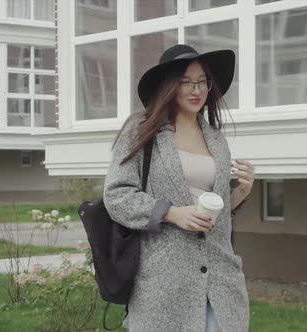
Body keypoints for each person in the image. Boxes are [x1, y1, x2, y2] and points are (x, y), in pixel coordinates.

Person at [103, 44, 255, 331]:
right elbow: (117, 196)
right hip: (165, 285)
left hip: (221, 283)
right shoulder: (142, 131)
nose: (195, 89)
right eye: (185, 81)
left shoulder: (216, 139)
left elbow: (212, 214)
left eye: (202, 81)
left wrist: (239, 195)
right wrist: (171, 213)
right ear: (169, 86)